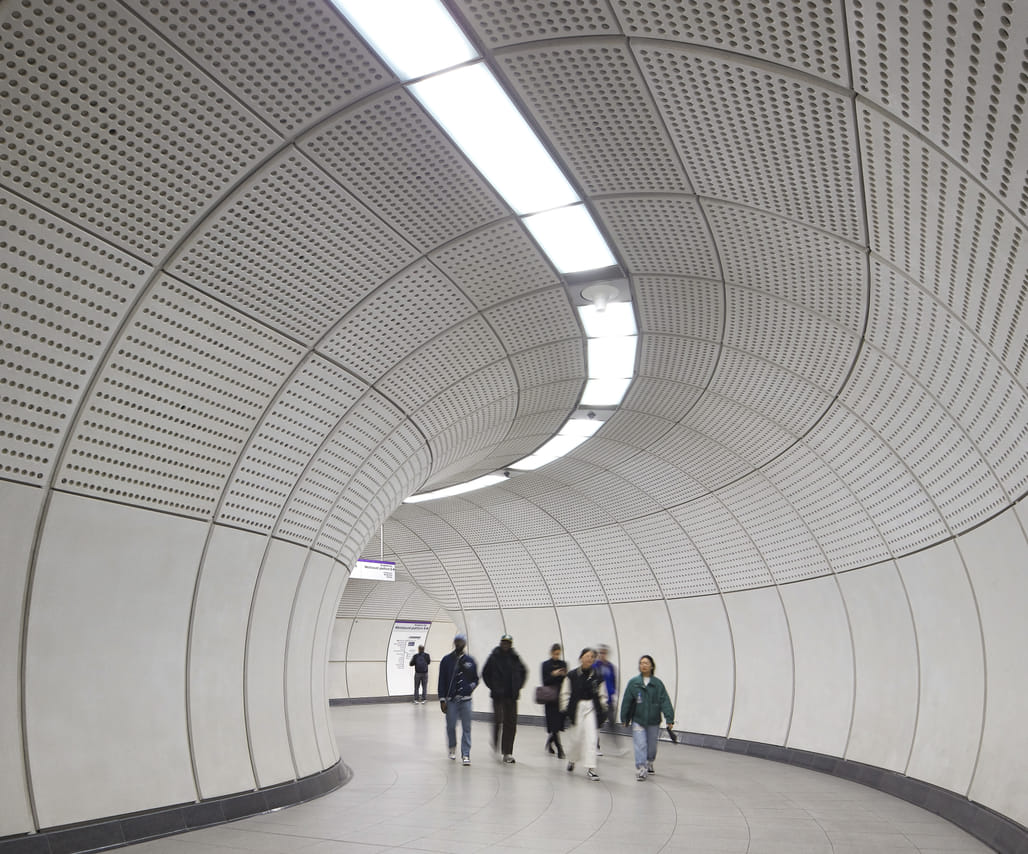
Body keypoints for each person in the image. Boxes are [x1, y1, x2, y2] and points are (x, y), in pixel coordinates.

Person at [620, 654, 675, 781]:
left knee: (651, 747)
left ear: (652, 666)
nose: (643, 665)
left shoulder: (657, 684)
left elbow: (665, 701)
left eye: (646, 663)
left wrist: (669, 719)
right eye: (641, 663)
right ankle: (641, 768)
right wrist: (624, 718)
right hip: (638, 720)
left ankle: (650, 761)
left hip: (653, 721)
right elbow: (627, 701)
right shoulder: (634, 683)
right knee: (640, 745)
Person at [559, 647, 606, 781]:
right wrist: (565, 708)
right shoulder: (572, 675)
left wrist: (603, 708)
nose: (589, 659)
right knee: (576, 737)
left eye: (592, 657)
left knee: (592, 738)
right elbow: (565, 693)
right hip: (577, 707)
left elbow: (602, 695)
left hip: (591, 707)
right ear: (581, 658)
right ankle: (572, 760)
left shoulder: (598, 676)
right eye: (587, 656)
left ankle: (591, 768)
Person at [481, 633, 527, 763]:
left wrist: (518, 686)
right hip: (498, 696)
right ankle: (495, 740)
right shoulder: (494, 657)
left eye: (508, 642)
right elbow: (485, 673)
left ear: (511, 644)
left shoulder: (515, 658)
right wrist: (493, 686)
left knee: (511, 724)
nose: (505, 644)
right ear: (501, 643)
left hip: (511, 696)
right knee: (498, 719)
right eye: (503, 642)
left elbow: (524, 672)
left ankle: (507, 752)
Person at [438, 633, 479, 765]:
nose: (459, 644)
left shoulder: (470, 661)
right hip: (451, 700)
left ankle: (466, 754)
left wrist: (469, 688)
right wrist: (442, 699)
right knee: (451, 726)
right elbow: (442, 680)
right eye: (457, 641)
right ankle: (452, 747)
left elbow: (476, 679)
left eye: (461, 642)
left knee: (466, 727)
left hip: (466, 700)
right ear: (454, 643)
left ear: (464, 644)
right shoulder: (446, 660)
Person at [541, 643, 567, 758]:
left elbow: (566, 680)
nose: (557, 656)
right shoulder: (545, 665)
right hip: (550, 698)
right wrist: (554, 674)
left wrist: (562, 674)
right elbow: (545, 681)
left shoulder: (563, 664)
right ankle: (560, 748)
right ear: (551, 653)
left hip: (560, 698)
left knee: (558, 724)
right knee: (554, 724)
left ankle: (550, 742)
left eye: (558, 654)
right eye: (555, 654)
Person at [593, 644, 617, 751]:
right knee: (596, 723)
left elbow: (613, 681)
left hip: (609, 698)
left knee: (611, 721)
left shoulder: (610, 667)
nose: (602, 655)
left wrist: (613, 693)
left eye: (604, 653)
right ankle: (596, 745)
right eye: (600, 653)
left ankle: (617, 745)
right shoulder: (595, 666)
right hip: (598, 698)